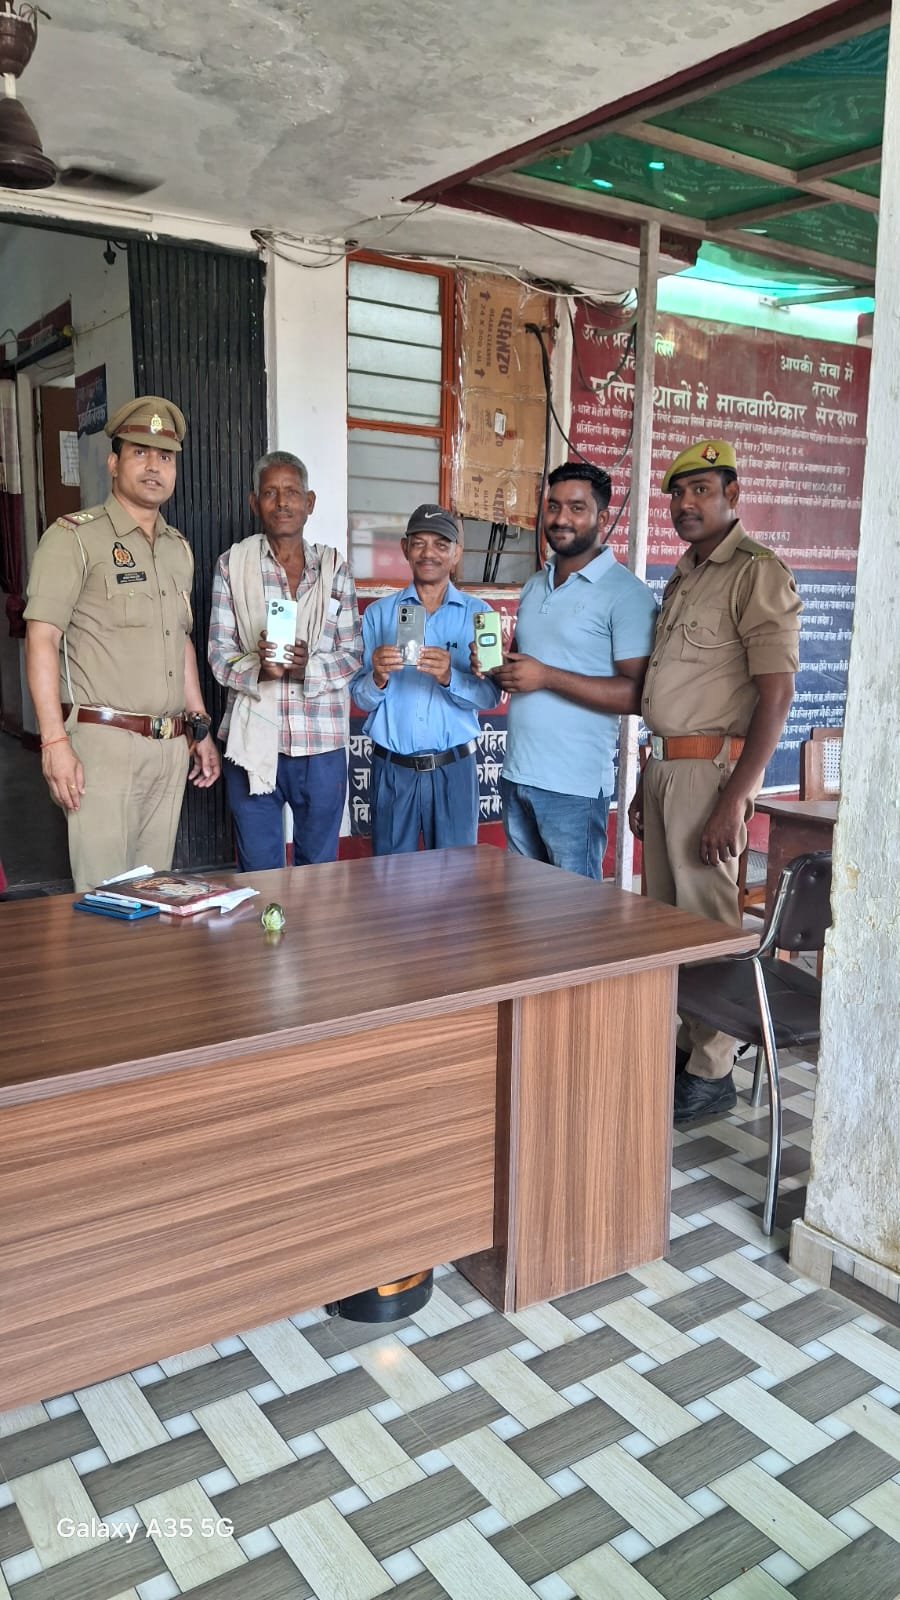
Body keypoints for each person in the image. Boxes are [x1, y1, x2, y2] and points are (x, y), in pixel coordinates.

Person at [629, 439, 802, 1124]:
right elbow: (669, 694)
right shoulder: (685, 576)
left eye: (701, 489)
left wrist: (736, 800)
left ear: (732, 495)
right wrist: (646, 778)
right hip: (667, 768)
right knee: (665, 926)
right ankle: (685, 1045)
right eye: (677, 493)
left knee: (707, 924)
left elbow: (777, 696)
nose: (685, 503)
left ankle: (713, 1069)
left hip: (711, 778)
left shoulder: (755, 573)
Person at [24, 396, 220, 892]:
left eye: (165, 456)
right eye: (140, 452)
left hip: (169, 748)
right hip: (103, 746)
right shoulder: (74, 539)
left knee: (154, 894)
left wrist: (199, 726)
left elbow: (180, 639)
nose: (154, 466)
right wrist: (54, 741)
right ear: (114, 463)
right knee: (105, 900)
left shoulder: (177, 549)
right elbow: (42, 638)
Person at [479, 461, 657, 879]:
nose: (561, 518)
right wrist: (492, 666)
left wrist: (547, 677)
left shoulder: (626, 594)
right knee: (523, 904)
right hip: (517, 773)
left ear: (602, 518)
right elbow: (522, 668)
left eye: (577, 508)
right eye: (554, 506)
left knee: (576, 911)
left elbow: (641, 695)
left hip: (573, 788)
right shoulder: (534, 585)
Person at [209, 450, 362, 871]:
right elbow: (218, 655)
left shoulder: (334, 569)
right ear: (253, 503)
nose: (282, 503)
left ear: (309, 503)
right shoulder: (232, 565)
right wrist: (259, 669)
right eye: (270, 493)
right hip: (253, 744)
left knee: (320, 873)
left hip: (321, 746)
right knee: (259, 874)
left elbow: (352, 654)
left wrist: (305, 667)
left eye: (292, 492)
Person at [350, 504, 499, 854]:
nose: (428, 553)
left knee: (457, 877)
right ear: (405, 549)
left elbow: (491, 697)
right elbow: (360, 697)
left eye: (441, 545)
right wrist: (379, 678)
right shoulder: (379, 615)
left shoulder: (481, 615)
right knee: (389, 875)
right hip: (393, 770)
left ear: (456, 553)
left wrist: (450, 677)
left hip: (454, 769)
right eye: (418, 543)